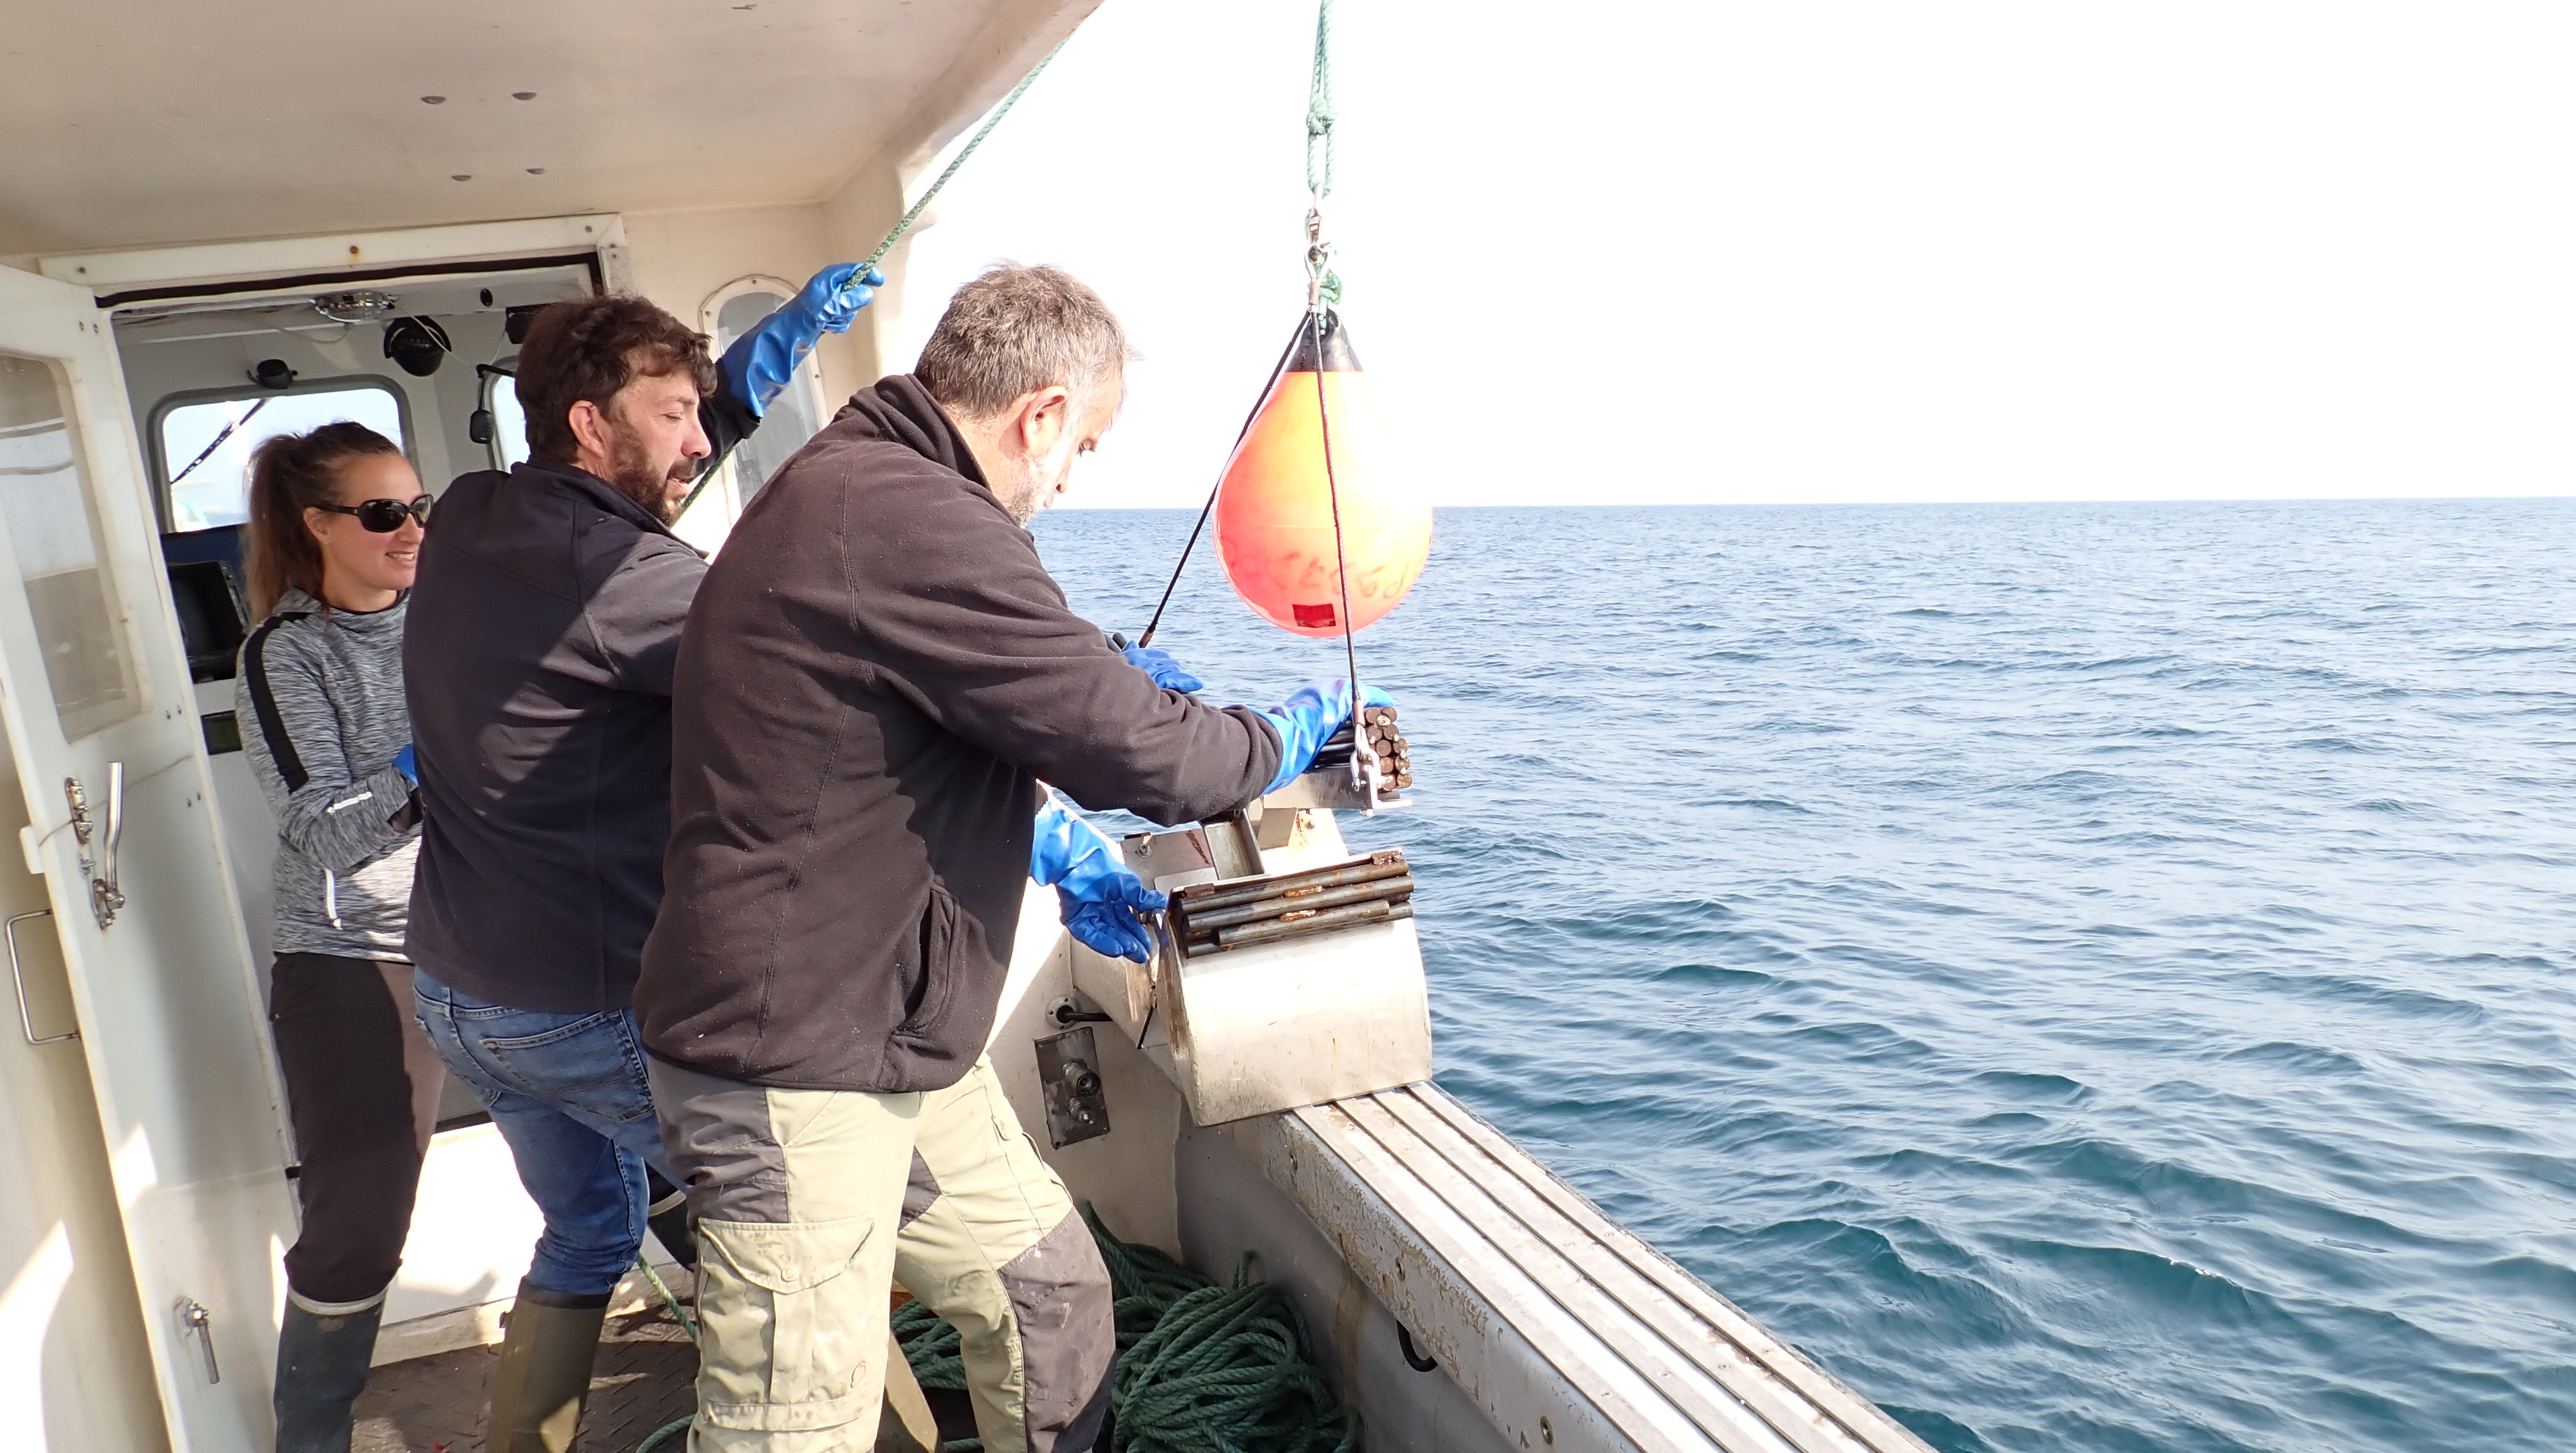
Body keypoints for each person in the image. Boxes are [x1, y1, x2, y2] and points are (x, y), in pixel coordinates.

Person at [635, 263, 1388, 1453]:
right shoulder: (907, 513)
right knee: (791, 1424)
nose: (1073, 477)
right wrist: (1278, 739)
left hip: (892, 1034)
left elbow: (945, 669)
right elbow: (1151, 762)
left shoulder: (866, 488)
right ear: (1038, 414)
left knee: (1050, 1299)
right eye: (1083, 446)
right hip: (795, 1065)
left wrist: (1091, 662)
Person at [401, 265, 881, 1450]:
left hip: (460, 990)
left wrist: (756, 362)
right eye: (673, 415)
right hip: (576, 1000)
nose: (691, 442)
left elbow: (630, 488)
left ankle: (526, 1442)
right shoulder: (642, 584)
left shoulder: (468, 512)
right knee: (798, 1229)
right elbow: (818, 695)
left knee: (589, 1235)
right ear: (588, 422)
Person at [233, 423, 441, 1452]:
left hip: (490, 936)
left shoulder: (455, 616)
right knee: (361, 1219)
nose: (409, 530)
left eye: (417, 507)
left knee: (647, 1133)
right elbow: (321, 828)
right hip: (353, 960)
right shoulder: (287, 653)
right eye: (380, 513)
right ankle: (309, 1436)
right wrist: (429, 761)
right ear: (317, 525)